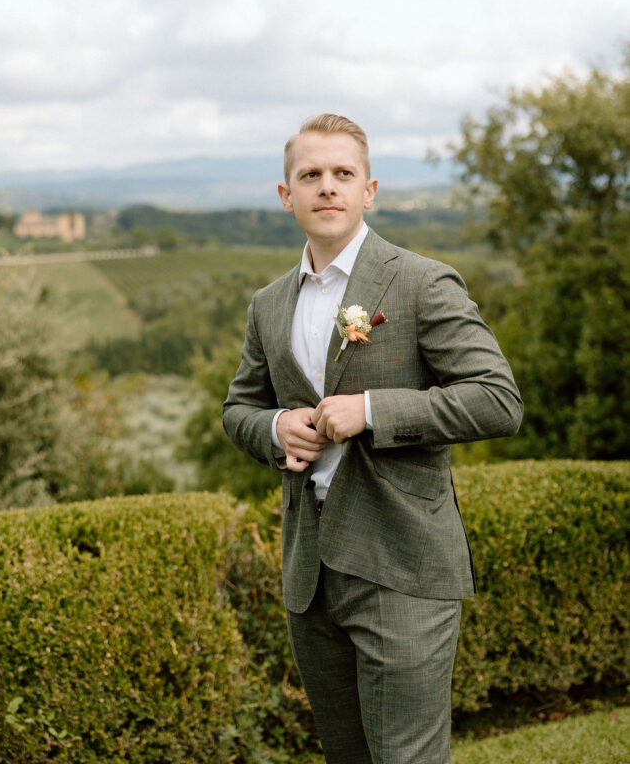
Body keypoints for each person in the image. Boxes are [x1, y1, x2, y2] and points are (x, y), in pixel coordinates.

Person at [223, 113, 522, 764]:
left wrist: (371, 410)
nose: (325, 187)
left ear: (369, 190)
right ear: (285, 195)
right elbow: (239, 407)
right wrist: (273, 427)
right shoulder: (268, 303)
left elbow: (497, 400)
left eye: (341, 174)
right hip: (310, 574)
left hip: (402, 566)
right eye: (310, 175)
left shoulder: (419, 281)